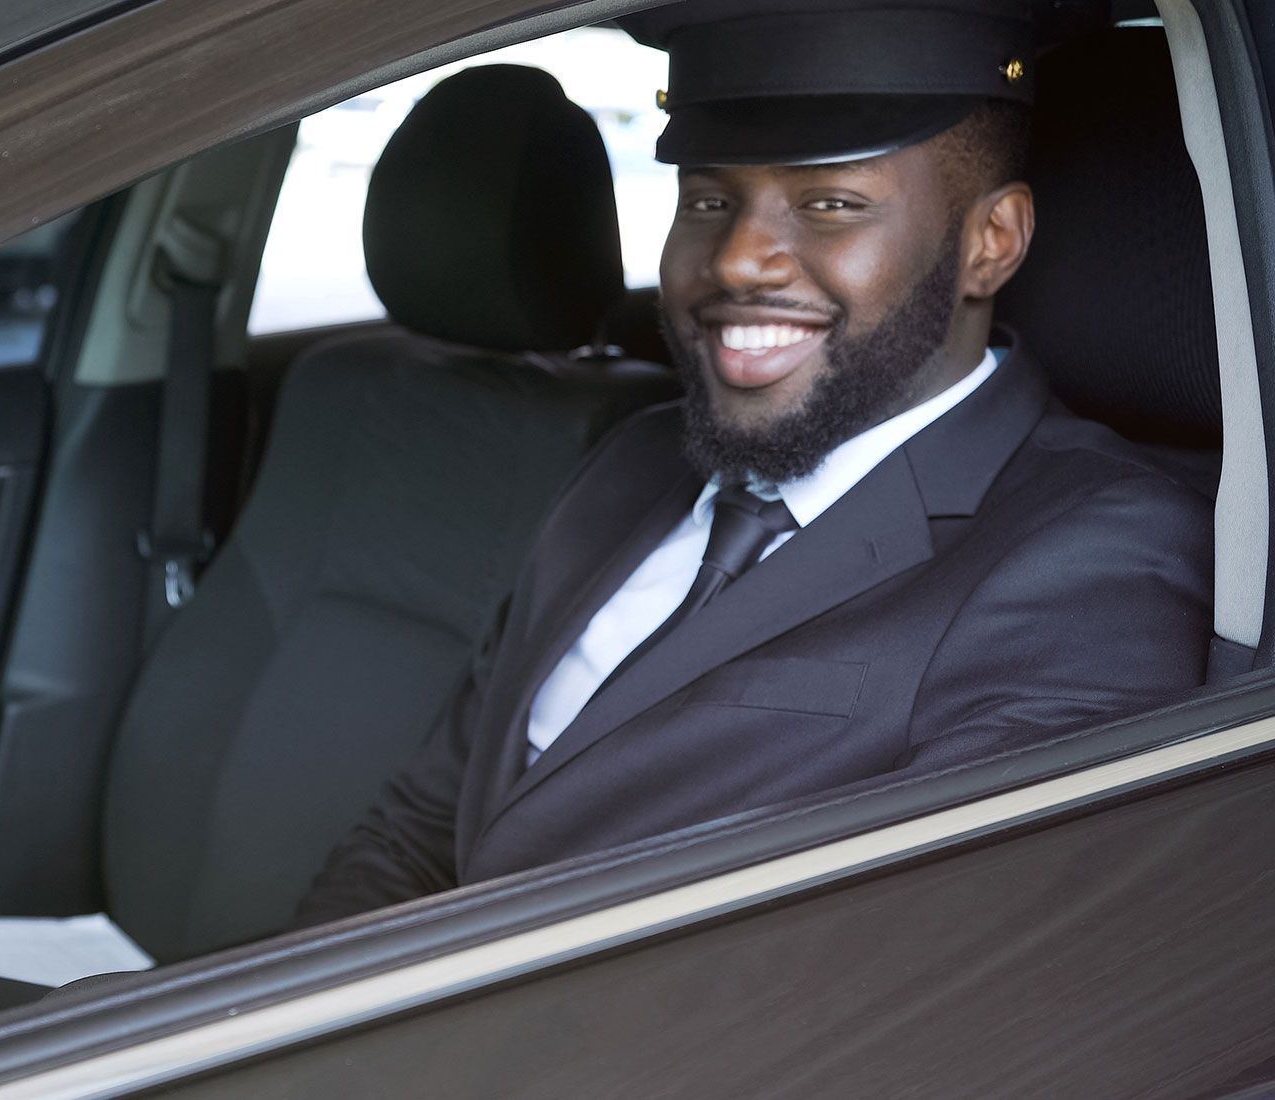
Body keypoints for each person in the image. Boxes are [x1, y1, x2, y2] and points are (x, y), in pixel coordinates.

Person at [294, 0, 1214, 926]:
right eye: (708, 199)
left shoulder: (1094, 558)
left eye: (829, 204)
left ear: (990, 243)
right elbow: (422, 825)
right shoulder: (630, 459)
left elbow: (919, 998)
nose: (736, 261)